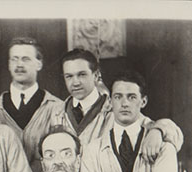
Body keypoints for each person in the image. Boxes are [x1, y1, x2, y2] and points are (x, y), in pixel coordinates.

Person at [53, 48, 183, 159]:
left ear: (96, 75)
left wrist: (158, 131)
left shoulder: (115, 108)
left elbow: (173, 132)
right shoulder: (56, 112)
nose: (75, 82)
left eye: (82, 75)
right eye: (69, 76)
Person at [0, 37, 62, 172]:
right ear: (8, 64)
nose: (19, 64)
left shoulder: (57, 108)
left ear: (39, 64)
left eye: (25, 59)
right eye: (14, 59)